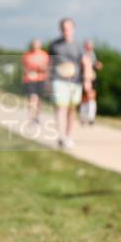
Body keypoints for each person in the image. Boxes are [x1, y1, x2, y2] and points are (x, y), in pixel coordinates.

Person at [48, 18, 89, 148]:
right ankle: (61, 137)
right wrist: (47, 80)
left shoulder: (78, 45)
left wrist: (87, 80)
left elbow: (85, 63)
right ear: (60, 29)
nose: (66, 30)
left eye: (69, 27)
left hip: (75, 81)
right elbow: (49, 63)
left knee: (71, 110)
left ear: (73, 28)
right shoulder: (54, 45)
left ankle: (68, 136)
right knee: (61, 107)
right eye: (64, 28)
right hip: (58, 80)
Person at [21, 39, 49, 123]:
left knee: (39, 99)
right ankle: (31, 117)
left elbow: (46, 67)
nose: (35, 46)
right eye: (34, 44)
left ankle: (37, 116)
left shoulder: (44, 55)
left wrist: (41, 68)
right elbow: (24, 67)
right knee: (33, 98)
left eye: (37, 44)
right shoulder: (27, 55)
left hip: (41, 79)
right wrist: (28, 72)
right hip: (30, 79)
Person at [79, 40, 103, 126]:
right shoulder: (81, 55)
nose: (89, 48)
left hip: (92, 78)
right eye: (88, 46)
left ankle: (91, 117)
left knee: (92, 97)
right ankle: (83, 116)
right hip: (83, 78)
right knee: (84, 98)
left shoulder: (94, 55)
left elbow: (99, 66)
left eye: (91, 46)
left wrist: (97, 65)